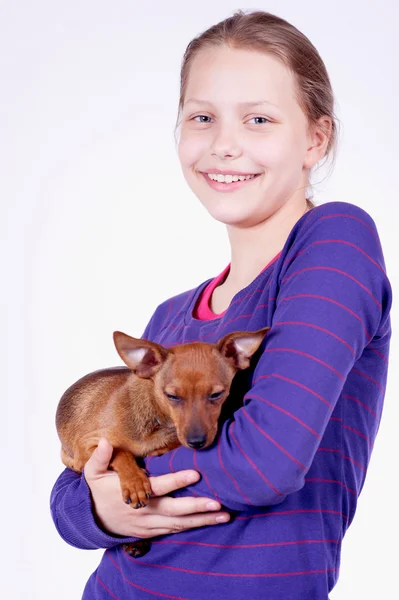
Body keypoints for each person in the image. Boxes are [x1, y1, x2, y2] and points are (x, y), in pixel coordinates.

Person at [50, 9, 392, 599]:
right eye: (202, 117)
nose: (225, 145)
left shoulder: (335, 243)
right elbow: (70, 500)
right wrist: (102, 505)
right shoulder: (172, 321)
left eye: (259, 119)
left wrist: (124, 482)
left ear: (316, 138)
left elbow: (266, 462)